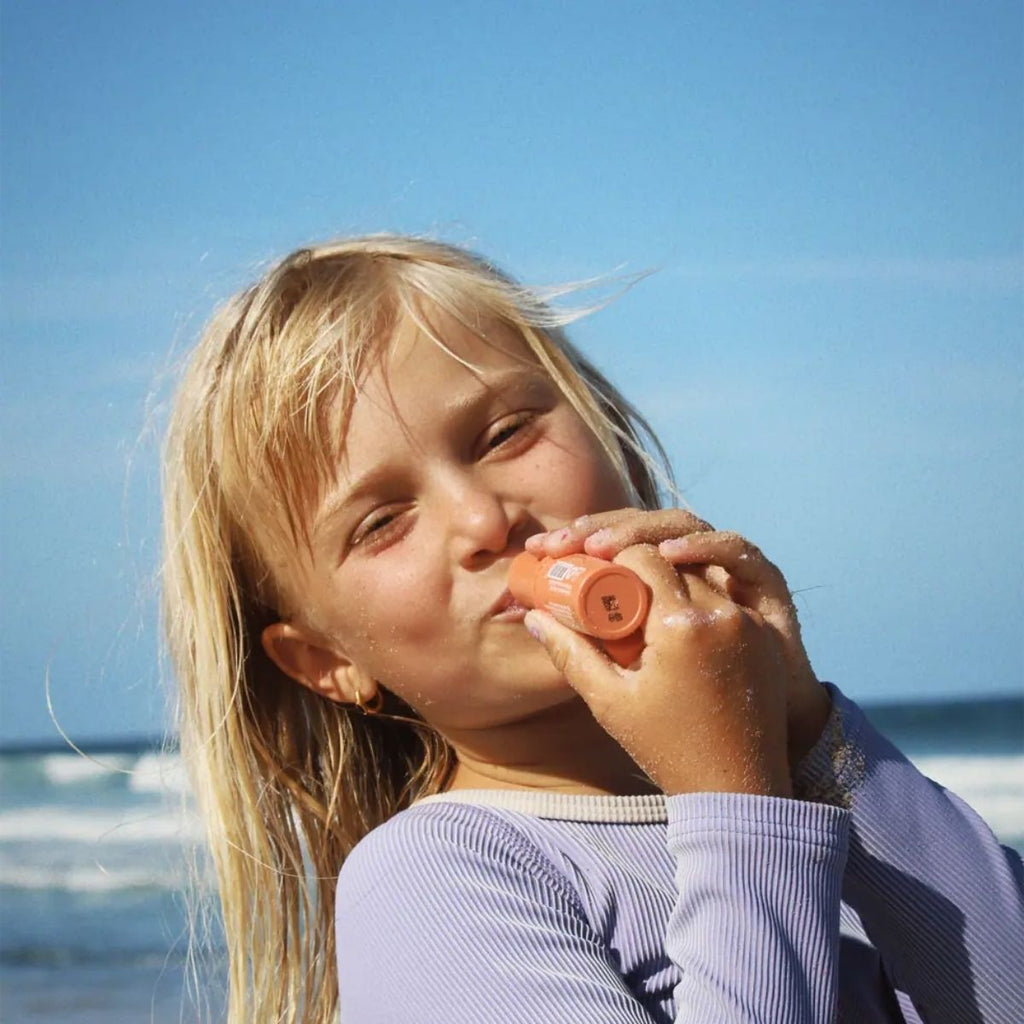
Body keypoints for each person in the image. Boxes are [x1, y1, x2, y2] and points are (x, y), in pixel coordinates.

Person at [162, 235, 1023, 1024]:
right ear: (325, 661)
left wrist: (811, 735)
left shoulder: (805, 801)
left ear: (616, 443)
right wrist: (734, 804)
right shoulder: (433, 881)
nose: (483, 518)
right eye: (382, 521)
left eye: (504, 433)